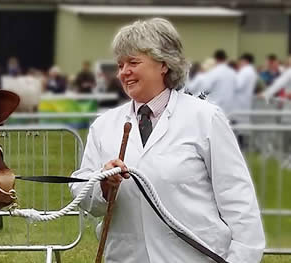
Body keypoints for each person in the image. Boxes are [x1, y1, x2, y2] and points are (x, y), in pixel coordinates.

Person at [69, 18, 263, 263]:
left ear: (163, 64)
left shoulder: (205, 118)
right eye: (120, 65)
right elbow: (82, 193)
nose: (123, 72)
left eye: (133, 62)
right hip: (126, 257)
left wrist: (241, 258)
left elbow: (237, 197)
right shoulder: (104, 126)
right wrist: (103, 188)